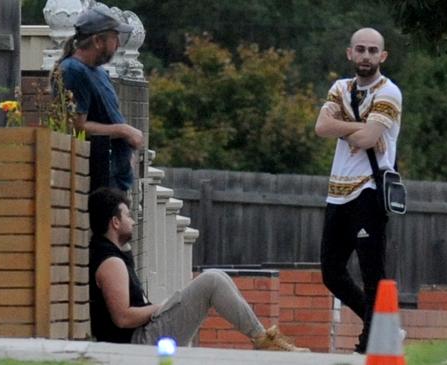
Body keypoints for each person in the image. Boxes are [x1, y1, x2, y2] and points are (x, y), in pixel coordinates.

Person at [88, 187, 309, 351]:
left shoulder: (114, 253)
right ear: (115, 222)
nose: (133, 221)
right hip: (140, 342)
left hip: (143, 335)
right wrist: (160, 307)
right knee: (211, 280)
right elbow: (123, 318)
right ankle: (264, 341)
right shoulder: (111, 263)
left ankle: (263, 338)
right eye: (127, 216)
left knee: (217, 276)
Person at [314, 27, 402, 354]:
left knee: (371, 271)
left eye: (372, 50)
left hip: (370, 191)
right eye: (360, 49)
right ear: (350, 53)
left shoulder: (389, 92)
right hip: (337, 192)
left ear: (383, 56)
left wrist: (348, 129)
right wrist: (361, 127)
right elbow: (321, 127)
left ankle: (371, 343)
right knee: (331, 273)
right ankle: (382, 324)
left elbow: (368, 140)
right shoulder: (340, 87)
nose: (366, 55)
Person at [54, 5, 143, 192]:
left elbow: (106, 117)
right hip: (99, 178)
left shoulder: (99, 72)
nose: (118, 44)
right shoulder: (73, 71)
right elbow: (77, 126)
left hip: (115, 177)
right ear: (97, 40)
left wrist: (125, 151)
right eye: (114, 37)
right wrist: (124, 131)